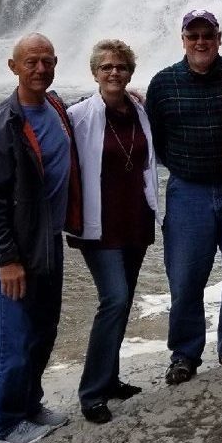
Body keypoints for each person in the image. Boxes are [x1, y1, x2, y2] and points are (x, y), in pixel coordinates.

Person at [0, 33, 82, 443]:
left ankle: (29, 405)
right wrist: (6, 260)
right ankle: (3, 427)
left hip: (46, 240)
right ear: (13, 67)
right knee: (10, 338)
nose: (40, 69)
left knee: (41, 329)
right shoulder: (0, 126)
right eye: (30, 62)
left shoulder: (54, 106)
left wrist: (128, 95)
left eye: (47, 61)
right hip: (12, 251)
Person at [146, 10, 222, 384]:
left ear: (218, 37)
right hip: (187, 191)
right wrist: (184, 165)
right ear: (183, 39)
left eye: (207, 35)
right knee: (185, 277)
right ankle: (184, 354)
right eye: (193, 35)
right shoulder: (163, 84)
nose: (200, 42)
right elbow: (155, 141)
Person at [67, 39, 160, 423]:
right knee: (115, 299)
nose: (114, 73)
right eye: (106, 67)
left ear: (130, 73)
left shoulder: (139, 109)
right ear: (94, 73)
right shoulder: (77, 115)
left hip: (135, 219)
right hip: (98, 225)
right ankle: (91, 392)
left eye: (120, 67)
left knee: (123, 301)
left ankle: (110, 379)